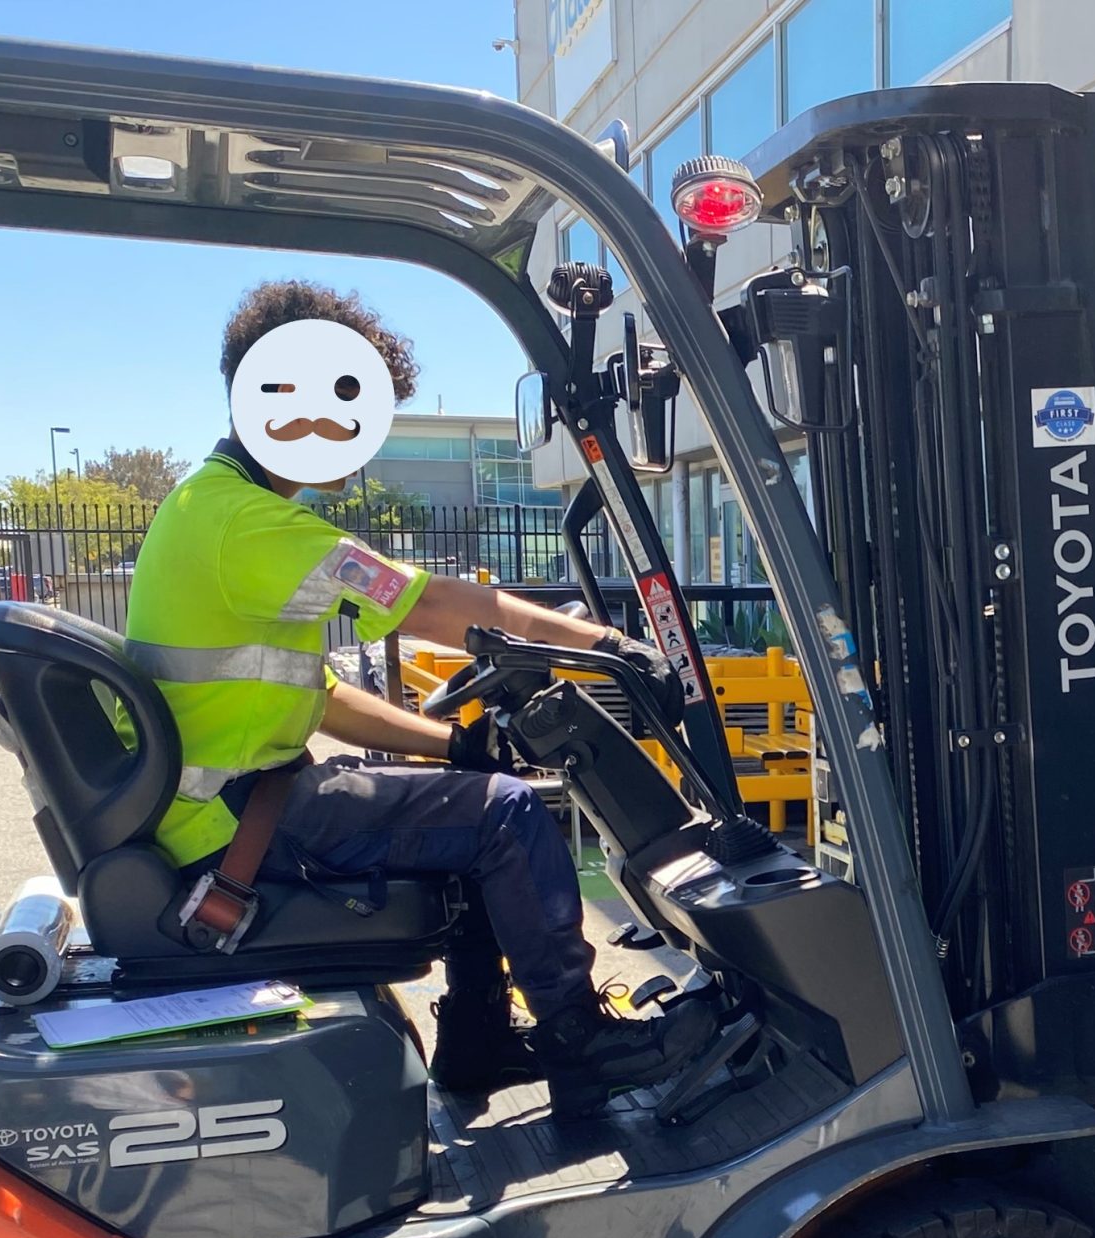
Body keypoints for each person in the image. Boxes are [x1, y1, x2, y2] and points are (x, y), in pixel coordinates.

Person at [126, 279, 709, 1115]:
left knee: (470, 799)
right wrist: (603, 646)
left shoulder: (213, 509)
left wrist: (454, 746)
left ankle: (476, 1039)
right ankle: (583, 1040)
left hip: (237, 803)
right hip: (236, 825)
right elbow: (428, 604)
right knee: (507, 814)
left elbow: (320, 694)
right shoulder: (247, 525)